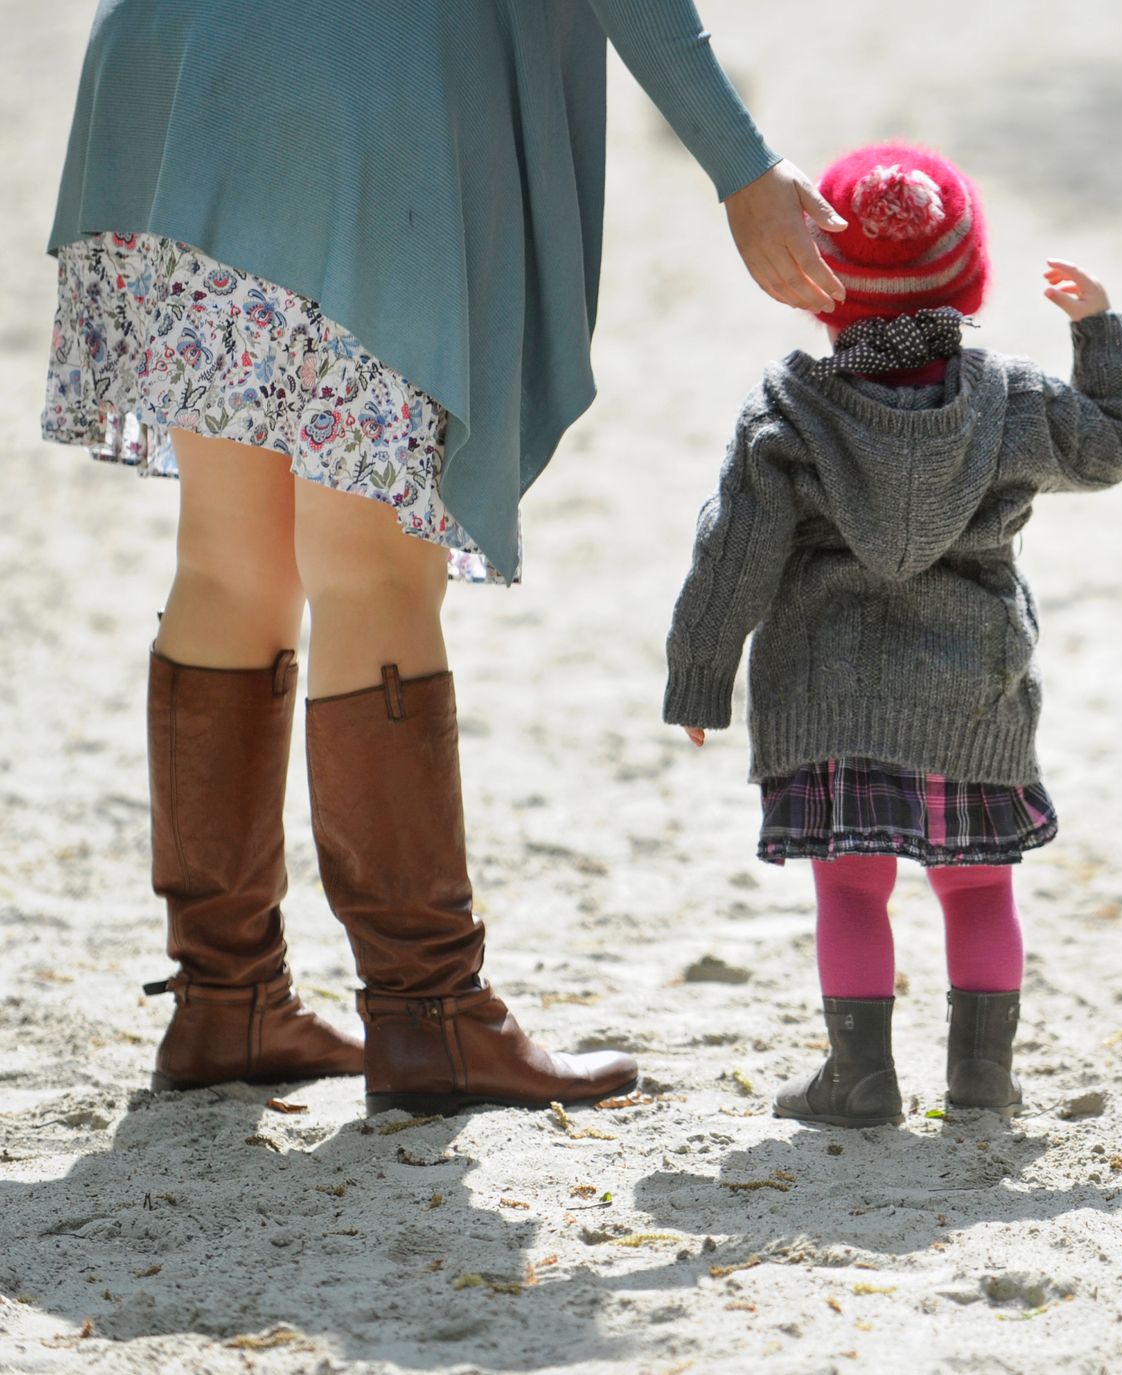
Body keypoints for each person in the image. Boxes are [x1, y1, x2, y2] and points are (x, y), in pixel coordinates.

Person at [39, 0, 850, 1113]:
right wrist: (742, 168)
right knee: (370, 568)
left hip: (176, 65)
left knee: (232, 562)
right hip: (347, 91)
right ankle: (428, 1015)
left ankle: (222, 998)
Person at [663, 143, 1122, 1127]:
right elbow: (1109, 445)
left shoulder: (790, 409)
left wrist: (700, 674)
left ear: (822, 286)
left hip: (828, 696)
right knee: (977, 892)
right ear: (969, 275)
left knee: (849, 892)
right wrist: (1101, 333)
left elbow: (733, 550)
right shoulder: (1009, 400)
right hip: (969, 693)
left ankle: (860, 1077)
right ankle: (980, 1078)